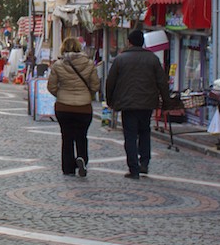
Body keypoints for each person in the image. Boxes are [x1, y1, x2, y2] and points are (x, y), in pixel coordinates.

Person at [104, 29, 173, 179]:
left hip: (128, 104)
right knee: (144, 132)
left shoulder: (120, 59)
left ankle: (133, 168)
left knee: (130, 136)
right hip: (147, 103)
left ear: (129, 42)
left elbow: (110, 82)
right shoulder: (153, 59)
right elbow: (162, 82)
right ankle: (144, 163)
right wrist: (167, 102)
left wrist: (110, 101)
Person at [47, 37, 100, 177]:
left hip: (64, 107)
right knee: (82, 136)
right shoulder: (89, 64)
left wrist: (60, 94)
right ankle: (82, 157)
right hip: (83, 108)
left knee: (67, 137)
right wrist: (88, 95)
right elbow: (95, 85)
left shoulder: (58, 65)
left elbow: (51, 86)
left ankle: (68, 168)